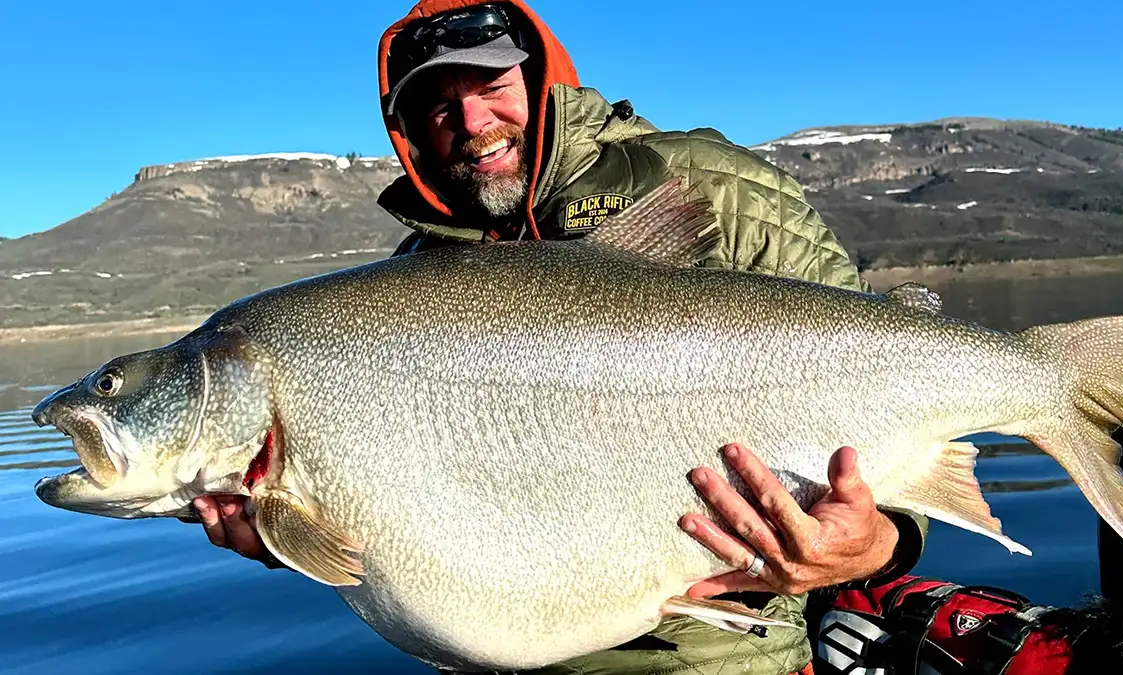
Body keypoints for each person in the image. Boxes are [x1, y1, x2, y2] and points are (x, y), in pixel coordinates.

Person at [190, 2, 932, 673]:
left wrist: (872, 543)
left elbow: (892, 381)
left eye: (489, 87)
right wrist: (298, 536)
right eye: (439, 107)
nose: (473, 122)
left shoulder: (713, 186)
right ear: (410, 134)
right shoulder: (408, 290)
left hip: (720, 654)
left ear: (543, 77)